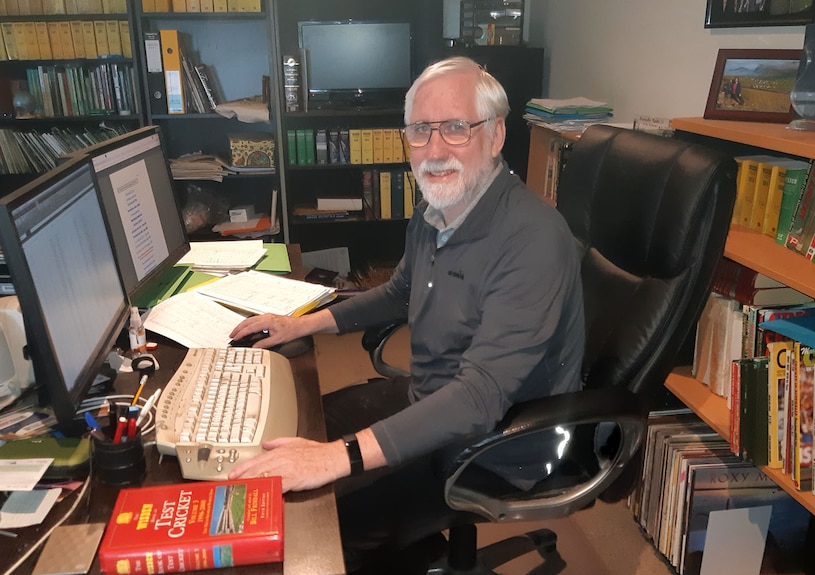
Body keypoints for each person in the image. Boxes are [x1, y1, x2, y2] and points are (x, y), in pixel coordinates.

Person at [228, 56, 585, 564]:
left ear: (496, 134)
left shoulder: (533, 240)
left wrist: (336, 459)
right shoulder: (436, 210)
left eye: (457, 128)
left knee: (309, 523)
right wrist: (299, 323)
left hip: (498, 446)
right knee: (286, 434)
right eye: (420, 130)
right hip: (428, 400)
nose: (435, 150)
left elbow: (480, 398)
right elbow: (399, 292)